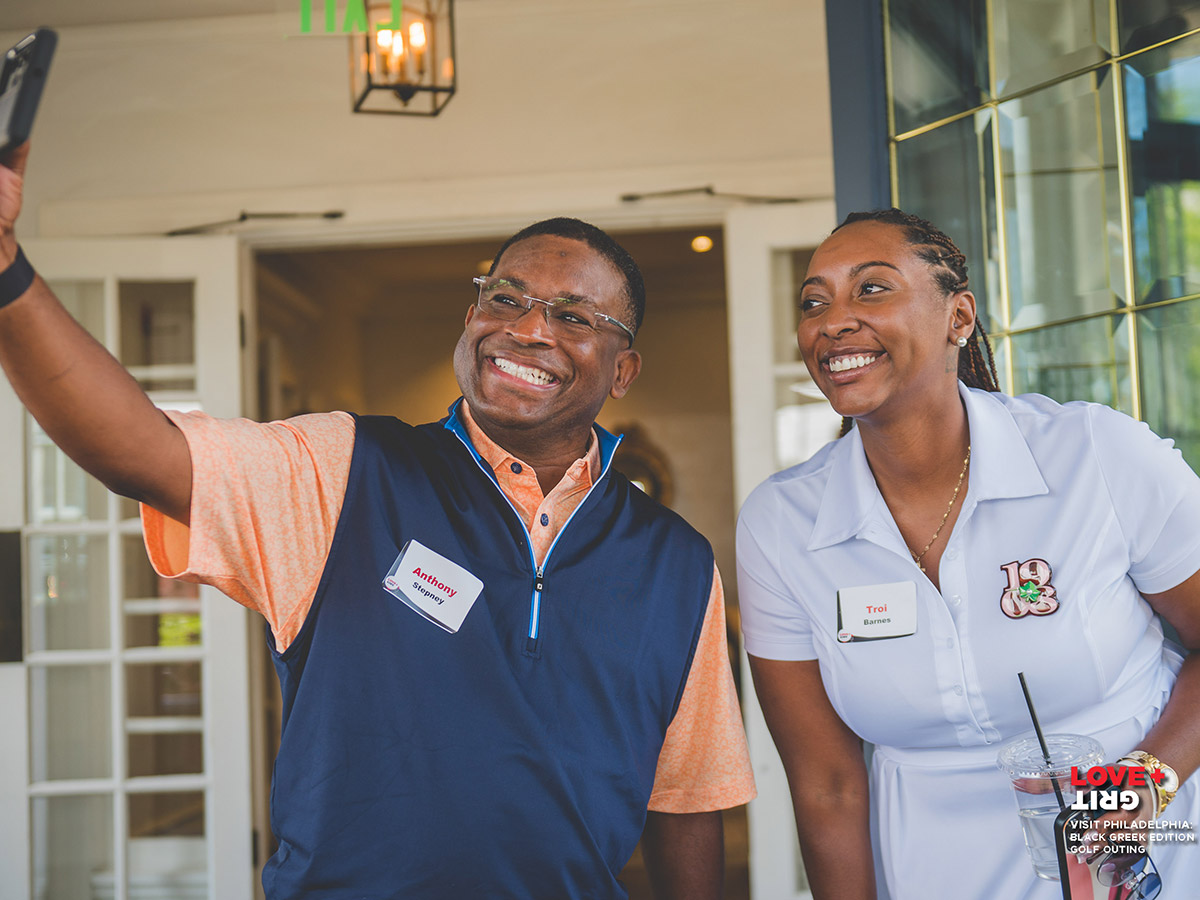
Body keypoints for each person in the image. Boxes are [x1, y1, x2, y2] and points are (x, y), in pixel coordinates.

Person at [0, 143, 755, 899]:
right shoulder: (346, 469)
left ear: (622, 369)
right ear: (471, 319)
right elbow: (141, 451)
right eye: (505, 298)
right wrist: (7, 272)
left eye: (573, 315)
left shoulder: (675, 561)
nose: (529, 329)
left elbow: (686, 798)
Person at [736, 207, 1200, 900]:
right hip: (932, 872)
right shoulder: (782, 523)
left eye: (871, 289)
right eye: (813, 301)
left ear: (959, 317)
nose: (831, 321)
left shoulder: (1094, 455)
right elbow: (827, 786)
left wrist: (1143, 784)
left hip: (1139, 865)